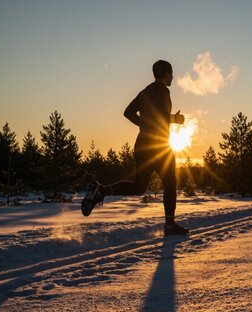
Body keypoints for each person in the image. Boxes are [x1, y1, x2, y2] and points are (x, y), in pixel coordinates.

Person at [81, 60, 189, 235]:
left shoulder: (145, 91)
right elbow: (160, 116)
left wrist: (143, 125)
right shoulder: (163, 91)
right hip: (159, 145)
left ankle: (102, 190)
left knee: (139, 187)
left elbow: (127, 112)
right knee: (170, 182)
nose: (173, 77)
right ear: (165, 73)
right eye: (171, 73)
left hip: (142, 145)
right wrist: (175, 120)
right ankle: (169, 225)